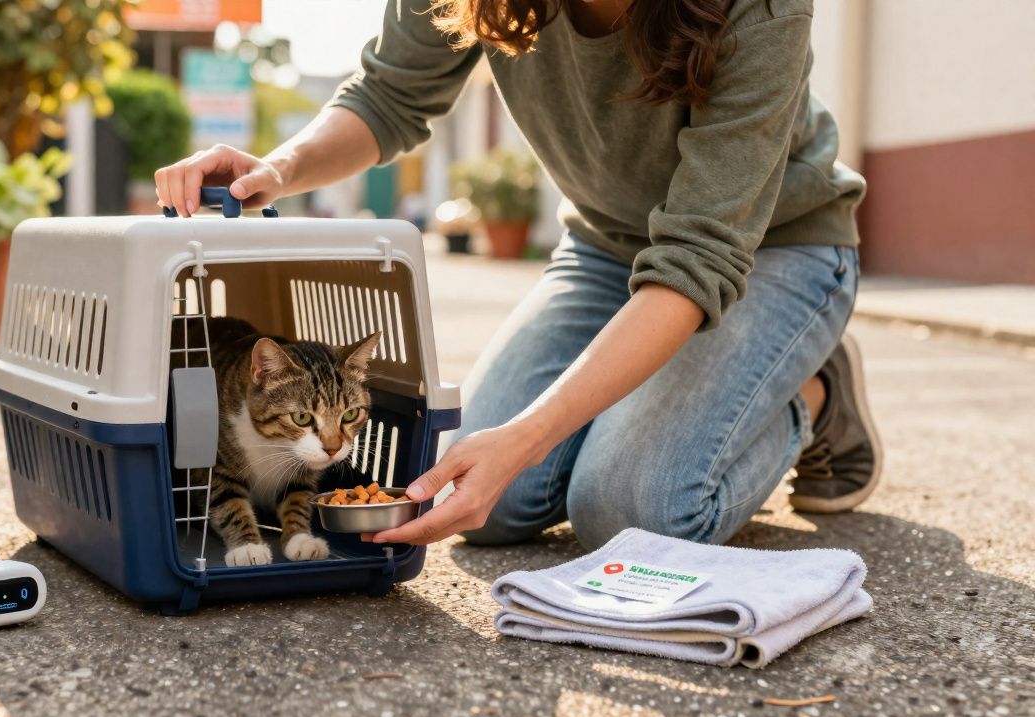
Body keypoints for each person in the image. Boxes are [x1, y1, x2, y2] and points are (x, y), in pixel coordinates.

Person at [154, 0, 879, 551]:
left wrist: (532, 435)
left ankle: (811, 388)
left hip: (771, 249)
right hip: (606, 249)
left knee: (632, 509)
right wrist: (276, 170)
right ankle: (652, 394)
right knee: (490, 504)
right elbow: (388, 95)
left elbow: (699, 257)